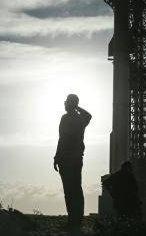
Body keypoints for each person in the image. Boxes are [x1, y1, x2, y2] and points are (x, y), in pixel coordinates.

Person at [53, 94, 92, 232]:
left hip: (73, 159)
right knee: (69, 191)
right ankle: (72, 221)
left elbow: (89, 115)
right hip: (65, 159)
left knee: (74, 190)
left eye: (67, 102)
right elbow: (61, 139)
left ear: (72, 104)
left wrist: (76, 107)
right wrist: (56, 157)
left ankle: (76, 222)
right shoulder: (66, 118)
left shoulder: (79, 118)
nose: (64, 104)